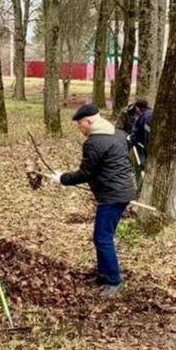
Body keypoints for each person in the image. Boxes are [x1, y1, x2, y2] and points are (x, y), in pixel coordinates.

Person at [52, 103, 136, 299]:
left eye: (80, 125)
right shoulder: (118, 134)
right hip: (121, 191)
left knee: (102, 237)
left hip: (112, 196)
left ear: (89, 121)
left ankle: (114, 280)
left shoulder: (94, 142)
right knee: (102, 237)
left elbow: (85, 173)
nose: (79, 129)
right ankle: (102, 275)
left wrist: (61, 179)